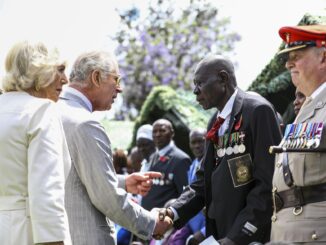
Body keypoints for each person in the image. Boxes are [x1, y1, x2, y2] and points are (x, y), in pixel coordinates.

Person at [158, 55, 282, 244]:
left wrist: (236, 237)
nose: (195, 91)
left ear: (223, 79)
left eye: (200, 83)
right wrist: (172, 212)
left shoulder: (257, 111)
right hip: (220, 233)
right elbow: (203, 180)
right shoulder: (215, 122)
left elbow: (268, 183)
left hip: (249, 235)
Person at [57, 51, 172, 244]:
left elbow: (71, 177)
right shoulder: (84, 123)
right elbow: (106, 197)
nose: (119, 89)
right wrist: (152, 223)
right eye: (116, 80)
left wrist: (122, 182)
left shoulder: (53, 111)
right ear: (96, 77)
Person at [0, 41, 71, 244]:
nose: (65, 80)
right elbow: (47, 190)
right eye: (60, 70)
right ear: (40, 70)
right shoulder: (41, 111)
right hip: (26, 233)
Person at [271, 25, 326, 243]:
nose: (288, 64)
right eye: (287, 57)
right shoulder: (308, 107)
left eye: (297, 55)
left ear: (323, 57)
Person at [141, 118, 191, 212]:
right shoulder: (153, 157)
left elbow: (185, 195)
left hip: (165, 220)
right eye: (154, 131)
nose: (158, 134)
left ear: (172, 133)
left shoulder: (180, 159)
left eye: (162, 131)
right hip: (148, 218)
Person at [168, 128, 207, 245]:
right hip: (193, 229)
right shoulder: (192, 166)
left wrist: (204, 231)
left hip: (209, 230)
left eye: (200, 141)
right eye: (193, 142)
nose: (197, 146)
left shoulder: (214, 165)